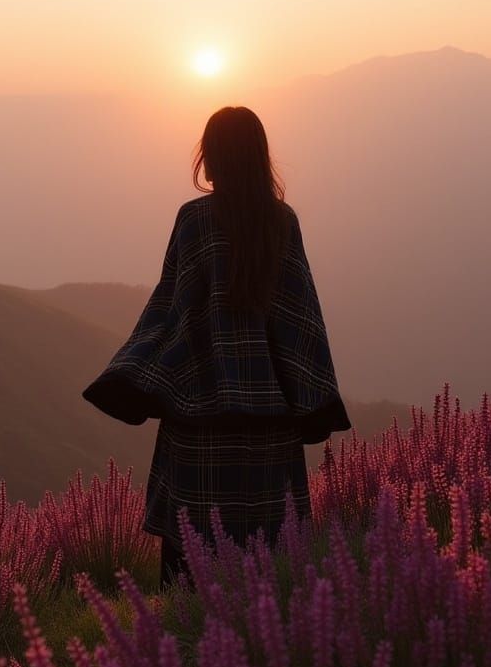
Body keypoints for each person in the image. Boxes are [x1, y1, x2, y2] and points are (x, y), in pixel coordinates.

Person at [81, 106, 351, 590]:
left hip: (199, 423)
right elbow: (301, 319)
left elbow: (171, 311)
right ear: (259, 156)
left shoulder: (194, 220)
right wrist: (313, 403)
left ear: (211, 157)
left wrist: (135, 375)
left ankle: (188, 660)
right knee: (270, 569)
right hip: (271, 429)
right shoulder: (281, 222)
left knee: (189, 573)